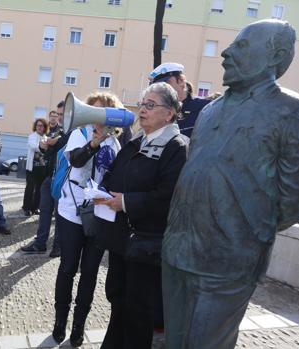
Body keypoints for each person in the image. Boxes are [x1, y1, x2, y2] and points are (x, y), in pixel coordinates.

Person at [162, 20, 299, 349]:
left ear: (274, 56)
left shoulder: (293, 111)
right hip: (177, 250)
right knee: (174, 342)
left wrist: (243, 233)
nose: (226, 52)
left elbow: (298, 199)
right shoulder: (210, 111)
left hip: (228, 261)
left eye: (242, 46)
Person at [91, 83, 188, 348]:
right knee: (118, 299)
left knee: (138, 310)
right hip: (124, 240)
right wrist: (102, 191)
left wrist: (127, 202)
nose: (142, 110)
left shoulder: (176, 148)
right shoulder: (136, 141)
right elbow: (115, 172)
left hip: (147, 245)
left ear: (169, 114)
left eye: (150, 105)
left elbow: (169, 196)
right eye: (142, 104)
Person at [51, 92, 123, 347]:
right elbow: (77, 160)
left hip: (99, 215)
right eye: (91, 112)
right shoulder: (77, 136)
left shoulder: (115, 143)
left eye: (101, 112)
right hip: (71, 212)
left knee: (90, 273)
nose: (96, 118)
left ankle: (78, 326)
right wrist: (94, 143)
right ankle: (60, 321)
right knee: (68, 268)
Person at [21, 103, 67, 257]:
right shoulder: (58, 131)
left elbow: (66, 144)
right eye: (58, 114)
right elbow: (48, 152)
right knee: (44, 211)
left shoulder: (72, 131)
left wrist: (55, 142)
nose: (59, 117)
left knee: (60, 214)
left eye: (62, 114)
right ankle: (40, 244)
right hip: (49, 176)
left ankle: (58, 246)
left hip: (62, 179)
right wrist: (43, 146)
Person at [149, 62, 210, 138]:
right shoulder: (157, 113)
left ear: (180, 81)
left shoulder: (204, 108)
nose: (162, 89)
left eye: (166, 83)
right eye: (158, 86)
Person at [22, 118, 48, 216]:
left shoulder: (46, 137)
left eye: (42, 125)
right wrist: (43, 146)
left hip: (42, 168)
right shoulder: (32, 136)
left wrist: (45, 145)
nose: (40, 127)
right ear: (35, 126)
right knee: (30, 188)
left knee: (39, 190)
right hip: (32, 168)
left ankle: (35, 208)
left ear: (45, 127)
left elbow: (47, 150)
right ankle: (26, 208)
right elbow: (33, 146)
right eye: (38, 125)